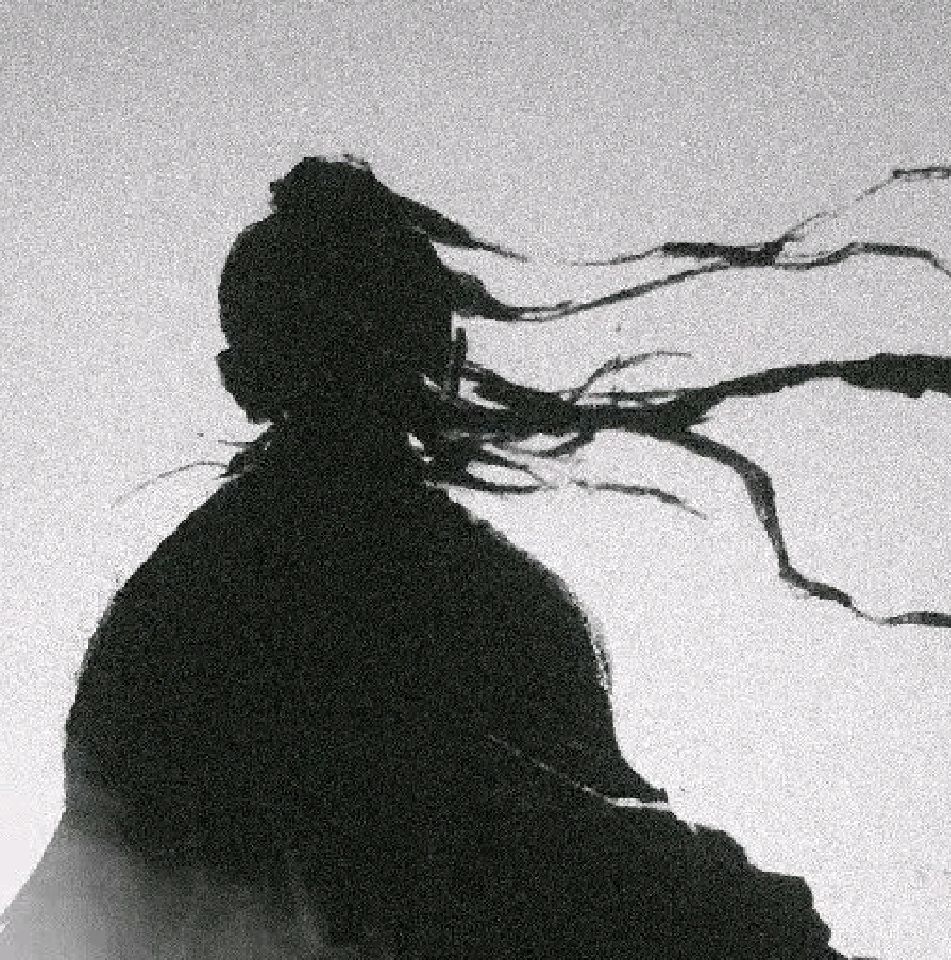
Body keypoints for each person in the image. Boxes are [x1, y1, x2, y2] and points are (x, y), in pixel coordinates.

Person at [0, 156, 843, 958]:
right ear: (448, 355)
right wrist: (709, 890)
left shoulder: (189, 596)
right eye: (328, 333)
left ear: (242, 376)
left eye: (368, 330)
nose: (353, 362)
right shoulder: (240, 594)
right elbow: (436, 821)